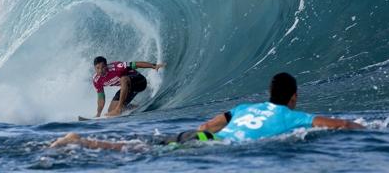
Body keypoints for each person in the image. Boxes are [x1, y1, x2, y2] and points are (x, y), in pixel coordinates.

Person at [51, 72, 362, 150]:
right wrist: (367, 128)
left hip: (200, 136)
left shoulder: (244, 107)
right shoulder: (295, 116)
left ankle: (83, 141)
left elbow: (213, 123)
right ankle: (84, 141)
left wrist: (199, 136)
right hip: (217, 147)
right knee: (136, 150)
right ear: (293, 97)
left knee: (146, 144)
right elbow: (336, 124)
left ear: (270, 94)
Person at [92, 56, 166, 117]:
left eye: (102, 67)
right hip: (128, 89)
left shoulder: (117, 67)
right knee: (111, 111)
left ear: (106, 65)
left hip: (140, 82)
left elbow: (136, 64)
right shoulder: (96, 80)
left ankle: (119, 108)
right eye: (97, 68)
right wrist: (98, 113)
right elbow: (101, 98)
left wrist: (153, 66)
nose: (100, 70)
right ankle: (134, 107)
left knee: (123, 79)